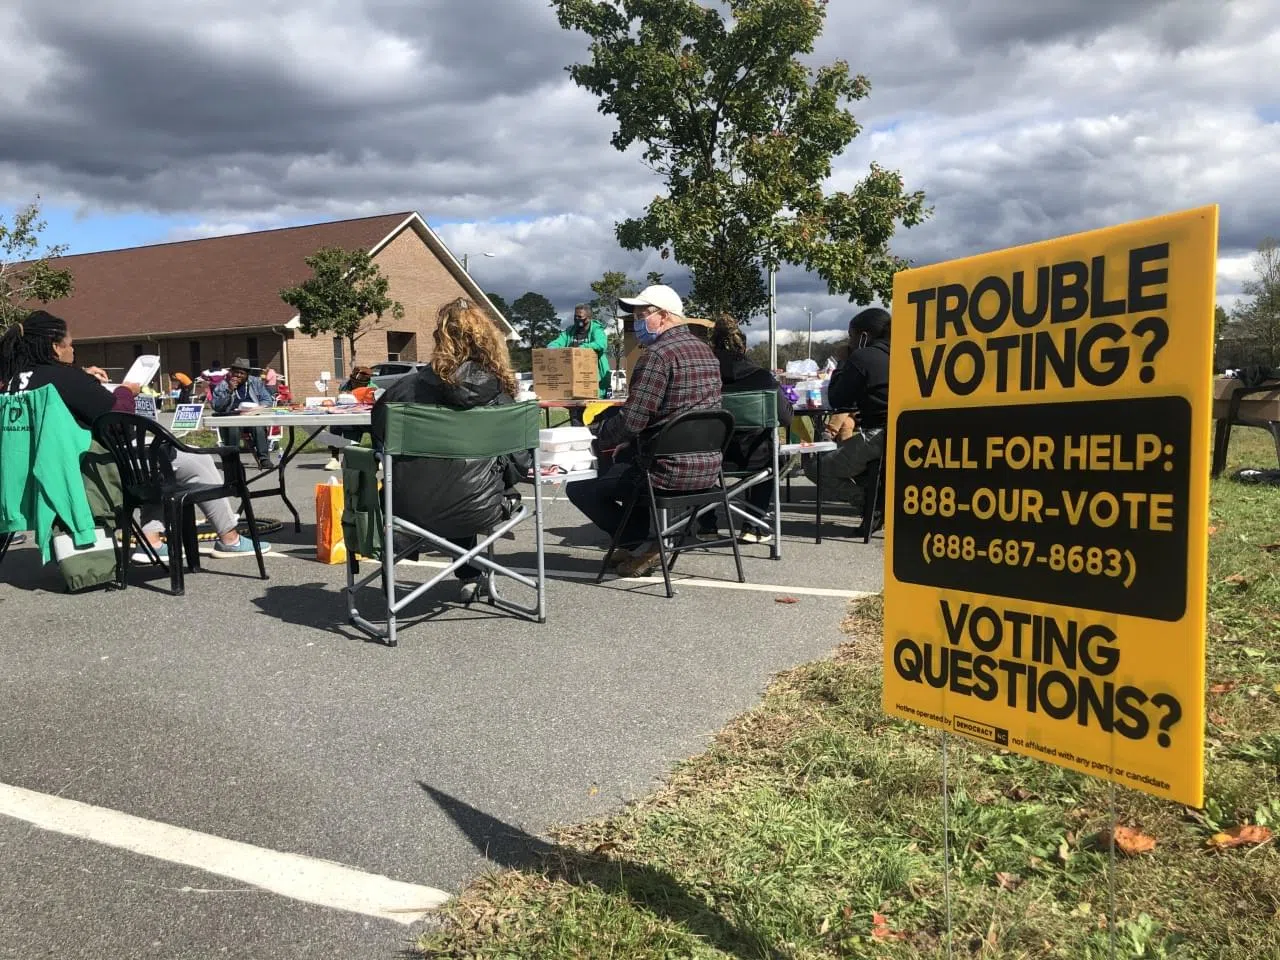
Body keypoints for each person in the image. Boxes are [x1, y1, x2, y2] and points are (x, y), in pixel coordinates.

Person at [0, 311, 268, 561]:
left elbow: (63, 394)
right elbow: (118, 423)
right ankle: (229, 539)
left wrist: (83, 376)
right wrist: (126, 391)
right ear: (55, 347)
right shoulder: (65, 378)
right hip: (90, 470)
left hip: (38, 474)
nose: (73, 350)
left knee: (156, 458)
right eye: (70, 344)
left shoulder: (13, 381)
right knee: (193, 460)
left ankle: (152, 540)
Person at [371, 299, 530, 603]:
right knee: (463, 486)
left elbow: (380, 440)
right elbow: (519, 464)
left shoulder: (402, 392)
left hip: (407, 507)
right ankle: (470, 575)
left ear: (439, 339)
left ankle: (404, 553)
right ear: (488, 342)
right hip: (480, 507)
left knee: (442, 483)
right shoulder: (500, 398)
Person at [567, 284, 722, 577]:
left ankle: (638, 541)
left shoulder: (657, 356)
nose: (637, 323)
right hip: (708, 467)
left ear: (664, 315)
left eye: (641, 316)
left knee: (580, 487)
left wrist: (594, 436)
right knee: (625, 461)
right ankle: (639, 542)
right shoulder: (707, 352)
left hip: (664, 470)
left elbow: (631, 421)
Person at [696, 314, 794, 545]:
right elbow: (785, 418)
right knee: (772, 455)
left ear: (712, 346)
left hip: (709, 457)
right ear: (745, 347)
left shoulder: (701, 378)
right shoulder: (762, 377)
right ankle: (753, 525)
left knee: (697, 453)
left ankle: (707, 525)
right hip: (753, 457)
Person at [806, 306, 890, 517]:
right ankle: (877, 501)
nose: (850, 342)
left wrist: (843, 361)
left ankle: (871, 505)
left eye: (851, 336)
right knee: (857, 461)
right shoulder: (903, 352)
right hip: (900, 434)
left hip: (877, 436)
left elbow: (838, 399)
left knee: (816, 468)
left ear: (864, 336)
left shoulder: (863, 357)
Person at [547, 302, 611, 423]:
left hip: (596, 385)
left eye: (580, 317)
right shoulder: (570, 331)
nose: (577, 320)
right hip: (574, 386)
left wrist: (581, 348)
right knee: (576, 422)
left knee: (595, 422)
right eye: (575, 316)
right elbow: (557, 342)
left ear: (589, 318)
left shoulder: (596, 330)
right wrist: (552, 349)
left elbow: (601, 344)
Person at [211, 358, 275, 470]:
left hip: (251, 416)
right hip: (232, 417)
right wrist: (229, 390)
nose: (239, 375)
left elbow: (267, 400)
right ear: (231, 372)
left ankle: (264, 459)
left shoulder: (255, 382)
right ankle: (233, 460)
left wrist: (258, 408)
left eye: (242, 373)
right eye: (236, 372)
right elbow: (216, 406)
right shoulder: (223, 385)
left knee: (259, 426)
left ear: (247, 374)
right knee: (233, 428)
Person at [325, 365, 374, 470]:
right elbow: (340, 403)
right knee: (335, 424)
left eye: (360, 384)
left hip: (367, 418)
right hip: (349, 415)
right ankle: (334, 458)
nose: (356, 385)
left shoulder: (373, 388)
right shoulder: (345, 386)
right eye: (354, 382)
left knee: (377, 428)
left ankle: (376, 458)